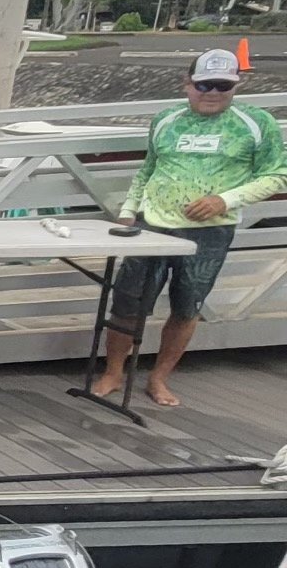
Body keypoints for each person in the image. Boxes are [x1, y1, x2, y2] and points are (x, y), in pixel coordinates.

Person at [91, 49, 286, 407]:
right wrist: (129, 209)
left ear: (235, 86)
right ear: (187, 84)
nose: (212, 92)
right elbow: (149, 168)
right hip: (153, 226)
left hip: (209, 233)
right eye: (203, 85)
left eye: (222, 86)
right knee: (127, 304)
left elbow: (276, 175)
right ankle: (113, 371)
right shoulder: (166, 120)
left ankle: (159, 378)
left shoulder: (257, 123)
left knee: (187, 307)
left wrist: (225, 200)